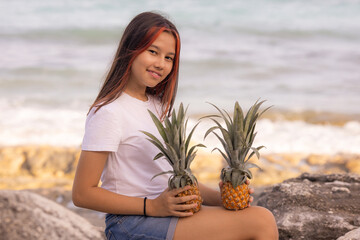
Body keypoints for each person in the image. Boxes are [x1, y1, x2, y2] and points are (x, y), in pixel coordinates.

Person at [72, 11, 279, 240]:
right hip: (130, 222)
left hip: (165, 213)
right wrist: (150, 207)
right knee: (261, 221)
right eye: (153, 52)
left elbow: (172, 178)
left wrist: (223, 198)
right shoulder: (109, 112)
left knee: (255, 213)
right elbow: (82, 193)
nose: (161, 64)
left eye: (169, 58)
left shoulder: (158, 107)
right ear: (131, 49)